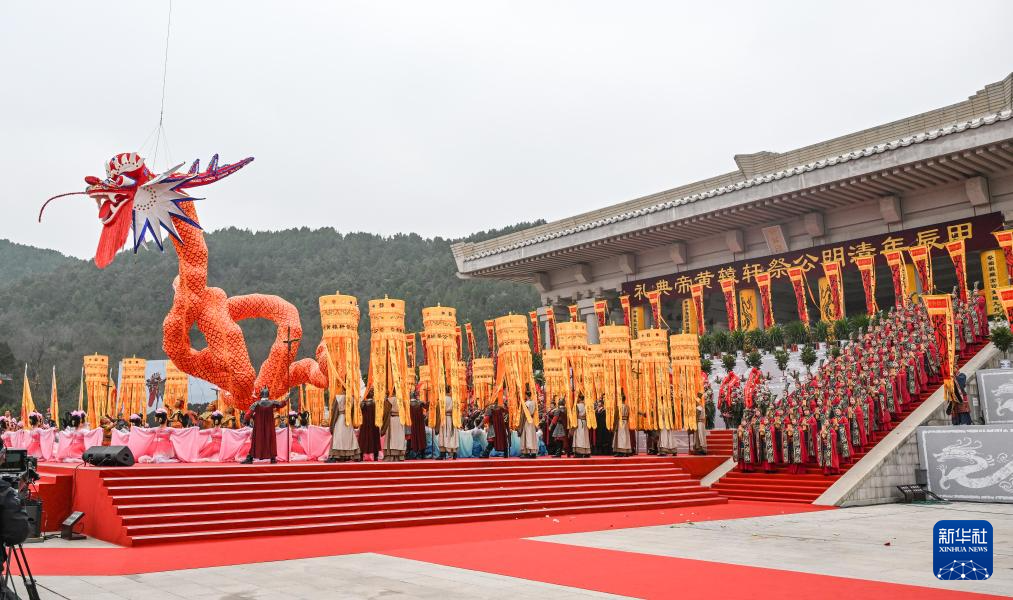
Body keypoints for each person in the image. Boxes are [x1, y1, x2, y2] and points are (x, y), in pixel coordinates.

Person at [242, 387, 286, 464]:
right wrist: (286, 398)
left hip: (258, 426)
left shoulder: (256, 403)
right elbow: (281, 404)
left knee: (257, 441)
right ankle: (273, 458)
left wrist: (246, 420)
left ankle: (250, 457)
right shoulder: (272, 402)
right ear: (268, 394)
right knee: (270, 440)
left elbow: (248, 415)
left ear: (261, 395)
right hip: (269, 426)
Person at [326, 390, 360, 463]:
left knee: (338, 438)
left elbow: (335, 412)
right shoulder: (352, 398)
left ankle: (336, 456)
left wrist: (332, 425)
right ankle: (348, 456)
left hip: (340, 419)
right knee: (348, 438)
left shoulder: (338, 397)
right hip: (348, 420)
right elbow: (352, 413)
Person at [380, 394, 406, 462]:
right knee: (399, 438)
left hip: (392, 420)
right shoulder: (403, 399)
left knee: (391, 438)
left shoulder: (389, 400)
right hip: (401, 420)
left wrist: (383, 422)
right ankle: (399, 457)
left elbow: (386, 412)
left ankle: (390, 456)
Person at [437, 386, 459, 460]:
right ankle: (454, 453)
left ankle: (442, 454)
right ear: (449, 390)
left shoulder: (442, 399)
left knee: (444, 435)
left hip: (444, 419)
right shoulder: (453, 399)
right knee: (452, 436)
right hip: (452, 419)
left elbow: (438, 410)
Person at [358, 391, 381, 461]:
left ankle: (361, 456)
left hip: (364, 424)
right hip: (374, 424)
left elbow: (359, 412)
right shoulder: (376, 403)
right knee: (374, 438)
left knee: (363, 439)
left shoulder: (362, 404)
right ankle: (376, 456)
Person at [518, 390, 538, 458]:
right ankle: (533, 452)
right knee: (532, 436)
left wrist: (521, 424)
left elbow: (524, 414)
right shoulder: (534, 403)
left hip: (526, 421)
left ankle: (526, 452)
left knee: (526, 436)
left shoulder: (526, 403)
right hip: (532, 421)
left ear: (526, 395)